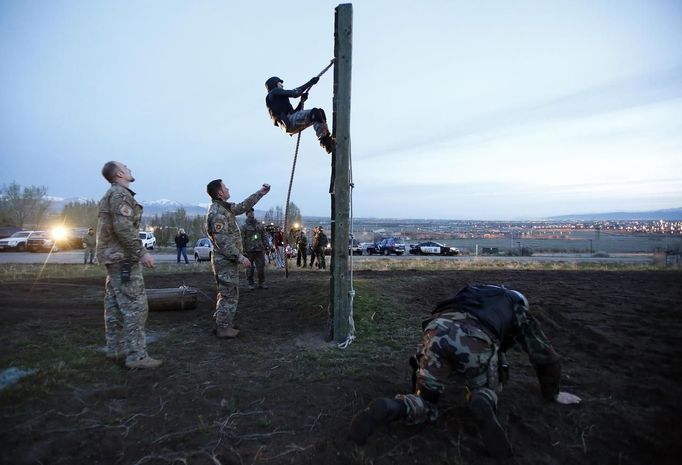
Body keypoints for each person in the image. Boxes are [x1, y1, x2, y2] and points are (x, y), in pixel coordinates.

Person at [349, 283, 581, 461]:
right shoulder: (515, 306)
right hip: (476, 337)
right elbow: (542, 352)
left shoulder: (472, 293)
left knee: (426, 402)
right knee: (486, 380)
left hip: (436, 331)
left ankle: (396, 407)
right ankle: (482, 398)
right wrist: (552, 392)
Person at [96, 161, 162, 369]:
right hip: (123, 258)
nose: (130, 168)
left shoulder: (112, 194)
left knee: (115, 306)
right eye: (125, 167)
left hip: (113, 257)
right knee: (135, 306)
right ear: (119, 174)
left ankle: (116, 350)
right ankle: (137, 356)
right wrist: (141, 252)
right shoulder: (120, 195)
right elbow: (123, 228)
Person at [205, 179, 270, 339]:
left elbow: (242, 206)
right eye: (225, 187)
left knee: (227, 292)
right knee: (229, 293)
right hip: (225, 260)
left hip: (227, 260)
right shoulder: (217, 213)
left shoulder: (224, 208)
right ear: (220, 192)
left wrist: (260, 193)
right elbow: (222, 242)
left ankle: (223, 321)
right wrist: (240, 257)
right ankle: (223, 328)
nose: (228, 188)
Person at [265, 75, 334, 154]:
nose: (282, 85)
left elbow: (294, 113)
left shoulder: (280, 99)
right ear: (274, 84)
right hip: (288, 123)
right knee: (315, 113)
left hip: (289, 123)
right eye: (280, 83)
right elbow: (295, 93)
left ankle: (327, 139)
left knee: (319, 112)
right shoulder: (274, 92)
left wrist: (302, 101)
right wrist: (310, 83)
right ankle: (326, 143)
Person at [241, 208, 269, 290]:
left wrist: (266, 244)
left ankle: (261, 283)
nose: (251, 213)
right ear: (246, 214)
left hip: (259, 250)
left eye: (252, 212)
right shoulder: (244, 226)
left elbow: (264, 234)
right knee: (250, 268)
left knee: (261, 268)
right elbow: (242, 238)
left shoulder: (259, 224)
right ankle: (250, 283)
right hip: (249, 251)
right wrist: (242, 250)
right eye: (249, 212)